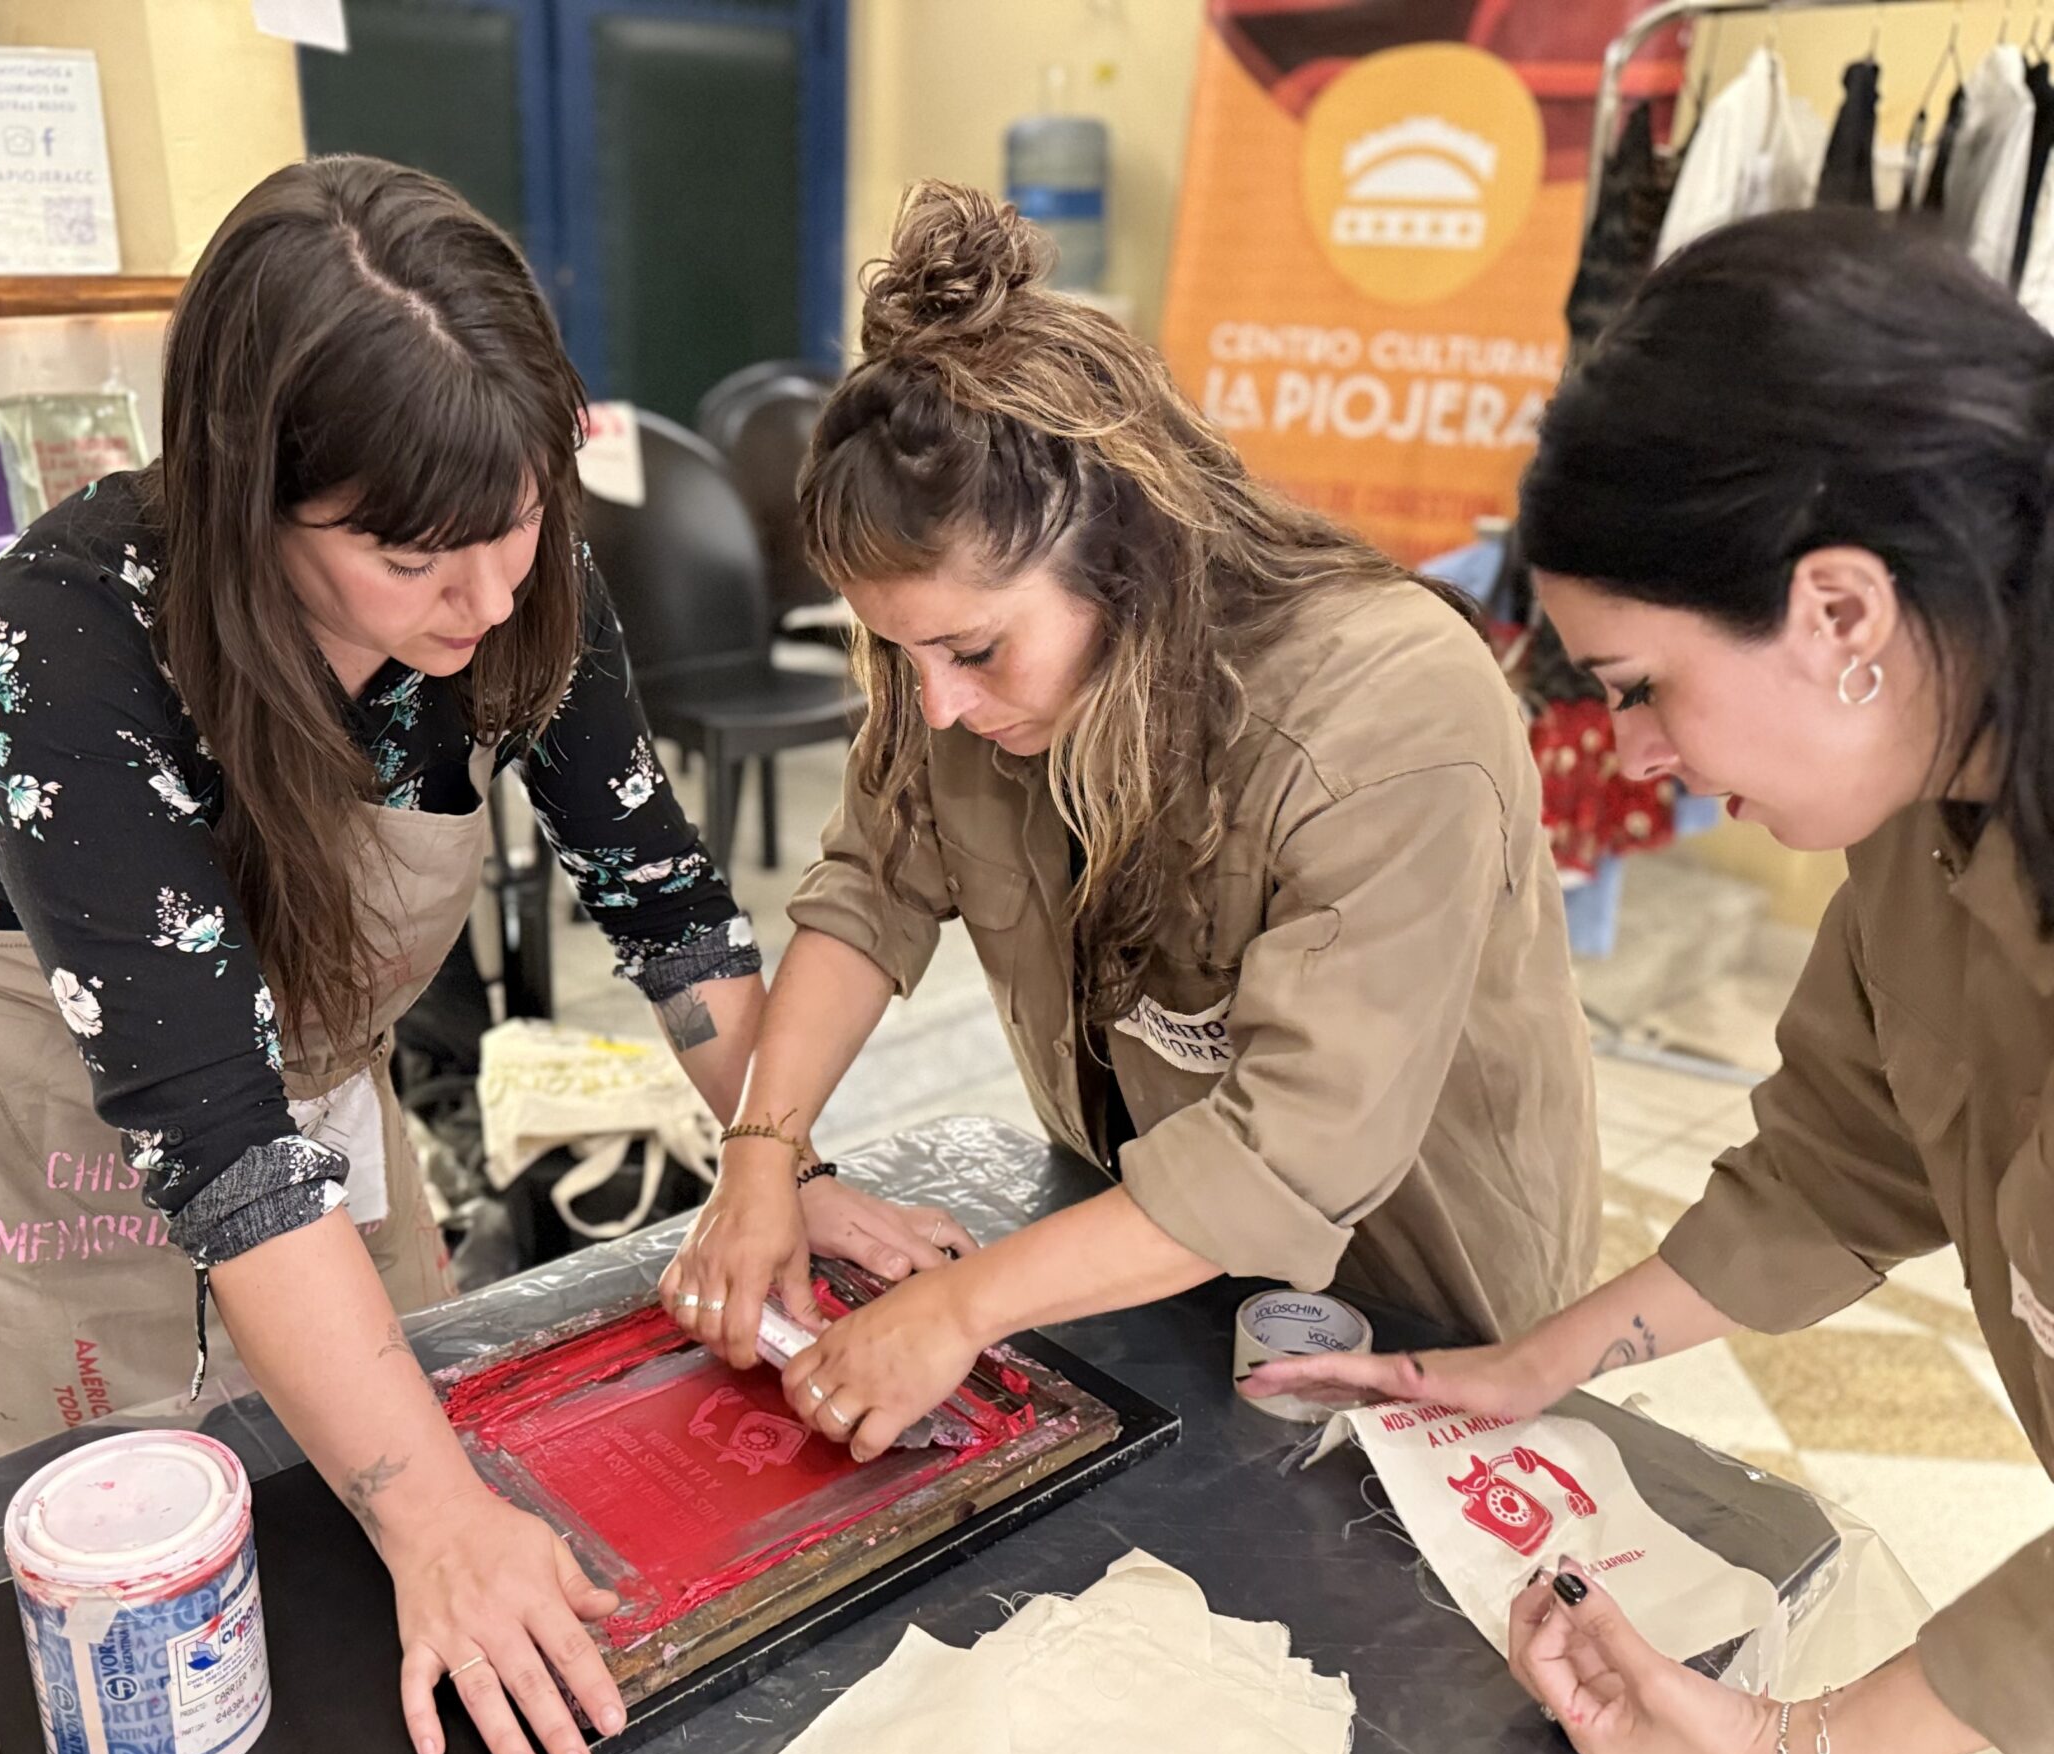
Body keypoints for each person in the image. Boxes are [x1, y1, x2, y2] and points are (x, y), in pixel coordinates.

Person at [0, 156, 945, 1754]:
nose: (488, 594)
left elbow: (667, 905)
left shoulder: (522, 585)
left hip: (287, 1091)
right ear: (247, 495)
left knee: (368, 1502)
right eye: (411, 558)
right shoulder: (68, 640)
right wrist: (440, 1525)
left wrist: (781, 1161)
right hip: (25, 1109)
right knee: (151, 1595)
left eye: (517, 518)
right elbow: (222, 1145)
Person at [1247, 208, 2054, 1754]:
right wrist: (1534, 1365)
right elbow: (1841, 1167)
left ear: (1840, 614)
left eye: (1641, 688)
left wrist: (1787, 1748)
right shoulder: (1929, 833)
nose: (1632, 756)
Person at [662, 181, 1603, 1459]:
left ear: (1127, 561)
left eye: (973, 651)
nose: (938, 708)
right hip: (1142, 1249)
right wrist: (764, 1157)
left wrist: (959, 1309)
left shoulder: (1387, 710)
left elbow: (1288, 1154)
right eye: (900, 655)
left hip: (1420, 1299)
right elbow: (872, 887)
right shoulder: (962, 682)